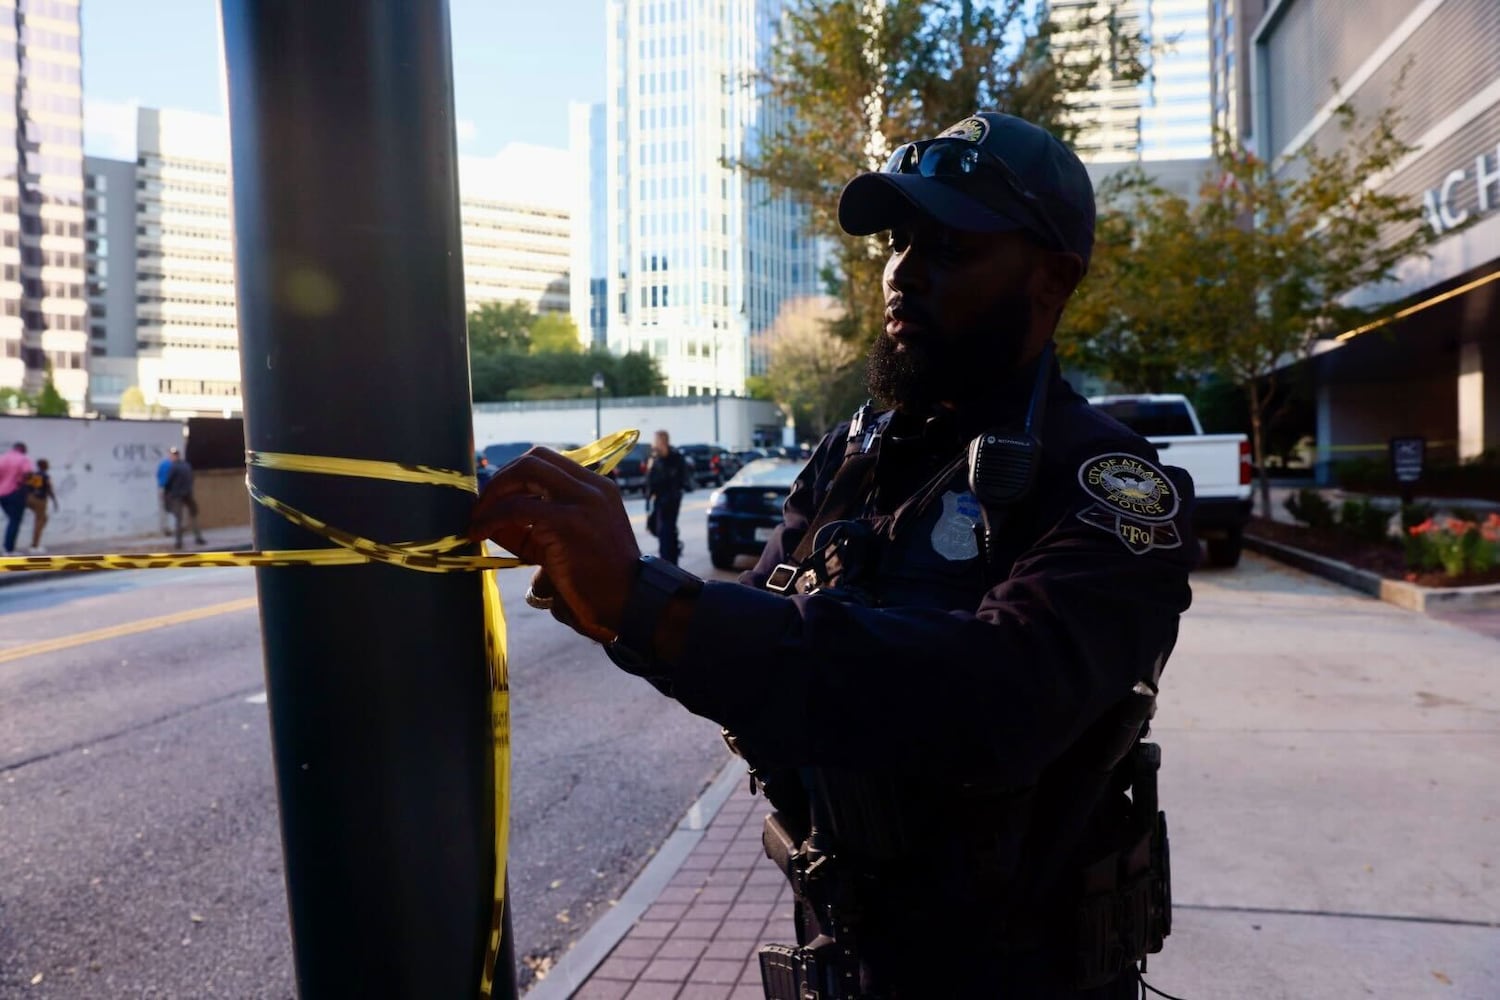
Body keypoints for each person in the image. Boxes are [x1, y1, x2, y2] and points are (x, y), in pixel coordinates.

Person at [470, 111, 1196, 998]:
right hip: (843, 955)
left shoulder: (1105, 484)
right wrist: (611, 604)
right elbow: (759, 639)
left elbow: (1000, 701)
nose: (904, 273)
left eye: (952, 245)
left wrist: (653, 604)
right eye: (897, 241)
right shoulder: (855, 454)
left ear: (1052, 279)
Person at [644, 429, 690, 565]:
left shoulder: (675, 457)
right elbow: (650, 482)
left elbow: (681, 479)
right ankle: (670, 558)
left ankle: (670, 564)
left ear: (662, 441)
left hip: (671, 501)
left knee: (666, 533)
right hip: (659, 500)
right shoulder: (655, 458)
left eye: (656, 440)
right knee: (661, 532)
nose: (654, 443)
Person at [164, 449, 207, 549]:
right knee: (193, 516)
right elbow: (192, 479)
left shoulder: (173, 467)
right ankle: (198, 537)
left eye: (171, 456)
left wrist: (167, 493)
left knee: (178, 519)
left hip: (177, 495)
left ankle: (178, 542)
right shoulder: (187, 465)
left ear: (174, 456)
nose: (170, 458)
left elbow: (168, 482)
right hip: (188, 494)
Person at [0, 441, 32, 554]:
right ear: (23, 449)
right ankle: (9, 549)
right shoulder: (23, 459)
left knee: (12, 520)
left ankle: (7, 547)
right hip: (15, 493)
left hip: (2, 495)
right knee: (15, 521)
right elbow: (27, 474)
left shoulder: (2, 458)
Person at [22, 458, 58, 554]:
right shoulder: (45, 476)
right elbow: (49, 489)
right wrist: (55, 501)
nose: (48, 466)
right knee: (40, 520)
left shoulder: (34, 474)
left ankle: (35, 541)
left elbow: (27, 486)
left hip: (30, 499)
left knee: (43, 519)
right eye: (46, 464)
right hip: (40, 500)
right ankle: (34, 546)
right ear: (43, 466)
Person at [157, 448, 177, 535]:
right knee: (168, 509)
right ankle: (168, 529)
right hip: (168, 489)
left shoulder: (164, 464)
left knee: (165, 509)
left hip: (164, 488)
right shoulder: (172, 465)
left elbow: (158, 474)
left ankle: (166, 529)